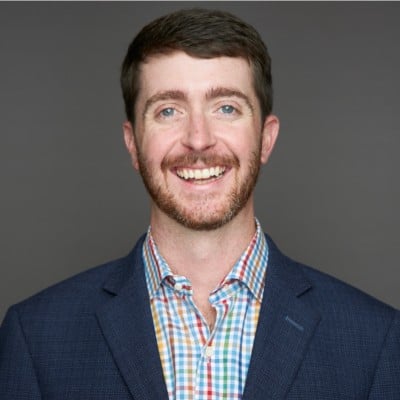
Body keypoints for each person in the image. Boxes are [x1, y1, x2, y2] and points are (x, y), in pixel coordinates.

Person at [0, 8, 399, 399]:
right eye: (168, 110)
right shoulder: (35, 338)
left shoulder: (375, 341)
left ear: (266, 138)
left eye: (226, 108)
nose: (198, 139)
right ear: (132, 143)